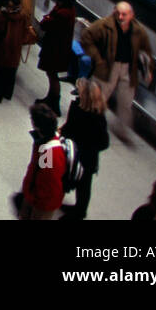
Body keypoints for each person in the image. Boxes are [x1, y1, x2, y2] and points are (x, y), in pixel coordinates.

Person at [80, 1, 156, 143]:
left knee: (126, 102)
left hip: (128, 68)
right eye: (118, 13)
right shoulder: (104, 25)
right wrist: (97, 58)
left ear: (131, 15)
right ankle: (89, 123)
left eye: (124, 14)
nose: (121, 17)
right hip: (108, 66)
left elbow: (146, 51)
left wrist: (148, 70)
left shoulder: (138, 31)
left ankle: (121, 129)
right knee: (99, 97)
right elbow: (86, 37)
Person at [59, 78, 109, 220]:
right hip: (83, 155)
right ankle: (79, 209)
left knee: (78, 183)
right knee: (83, 185)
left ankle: (78, 211)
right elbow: (104, 143)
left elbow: (69, 129)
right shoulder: (93, 112)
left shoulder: (84, 111)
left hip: (81, 155)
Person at [16, 102, 68, 220]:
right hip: (34, 195)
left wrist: (30, 198)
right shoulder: (47, 138)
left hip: (41, 203)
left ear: (37, 125)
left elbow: (46, 184)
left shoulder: (48, 153)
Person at [37, 0, 77, 114]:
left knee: (52, 74)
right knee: (51, 74)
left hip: (55, 48)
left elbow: (46, 24)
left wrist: (47, 19)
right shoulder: (67, 9)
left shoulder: (63, 13)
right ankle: (51, 98)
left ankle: (54, 102)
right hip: (58, 47)